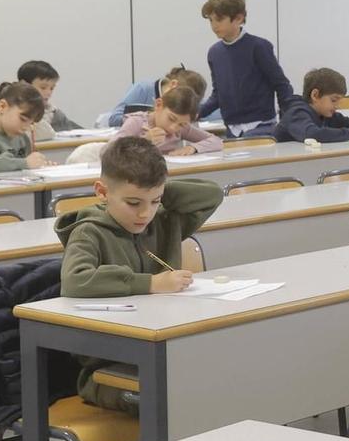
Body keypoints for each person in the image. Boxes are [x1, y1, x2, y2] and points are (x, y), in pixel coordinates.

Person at [56, 137, 224, 412]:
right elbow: (76, 279)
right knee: (182, 398)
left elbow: (212, 195)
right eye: (133, 203)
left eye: (155, 201)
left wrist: (157, 192)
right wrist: (150, 283)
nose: (145, 213)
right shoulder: (88, 231)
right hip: (110, 368)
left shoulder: (164, 220)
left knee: (218, 380)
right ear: (101, 191)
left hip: (165, 347)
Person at [202, 0, 294, 137]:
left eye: (219, 20)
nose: (214, 25)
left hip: (261, 126)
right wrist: (192, 113)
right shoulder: (214, 53)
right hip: (232, 129)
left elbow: (281, 84)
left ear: (238, 18)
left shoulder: (259, 47)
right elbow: (218, 94)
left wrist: (288, 122)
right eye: (210, 20)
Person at [274, 68, 349, 144]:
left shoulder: (326, 114)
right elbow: (313, 134)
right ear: (315, 95)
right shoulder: (296, 113)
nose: (337, 106)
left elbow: (347, 122)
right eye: (334, 100)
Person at [115, 84, 221, 154]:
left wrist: (193, 148)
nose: (173, 128)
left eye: (182, 124)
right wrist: (143, 141)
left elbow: (217, 141)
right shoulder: (137, 122)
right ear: (158, 105)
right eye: (171, 118)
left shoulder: (182, 128)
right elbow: (108, 152)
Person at [105, 65, 210, 128]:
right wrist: (152, 119)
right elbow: (114, 119)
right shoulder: (143, 88)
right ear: (173, 84)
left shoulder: (190, 101)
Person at [15, 60, 81, 140]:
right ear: (24, 85)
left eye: (52, 88)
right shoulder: (11, 112)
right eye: (43, 87)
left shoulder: (55, 114)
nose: (48, 93)